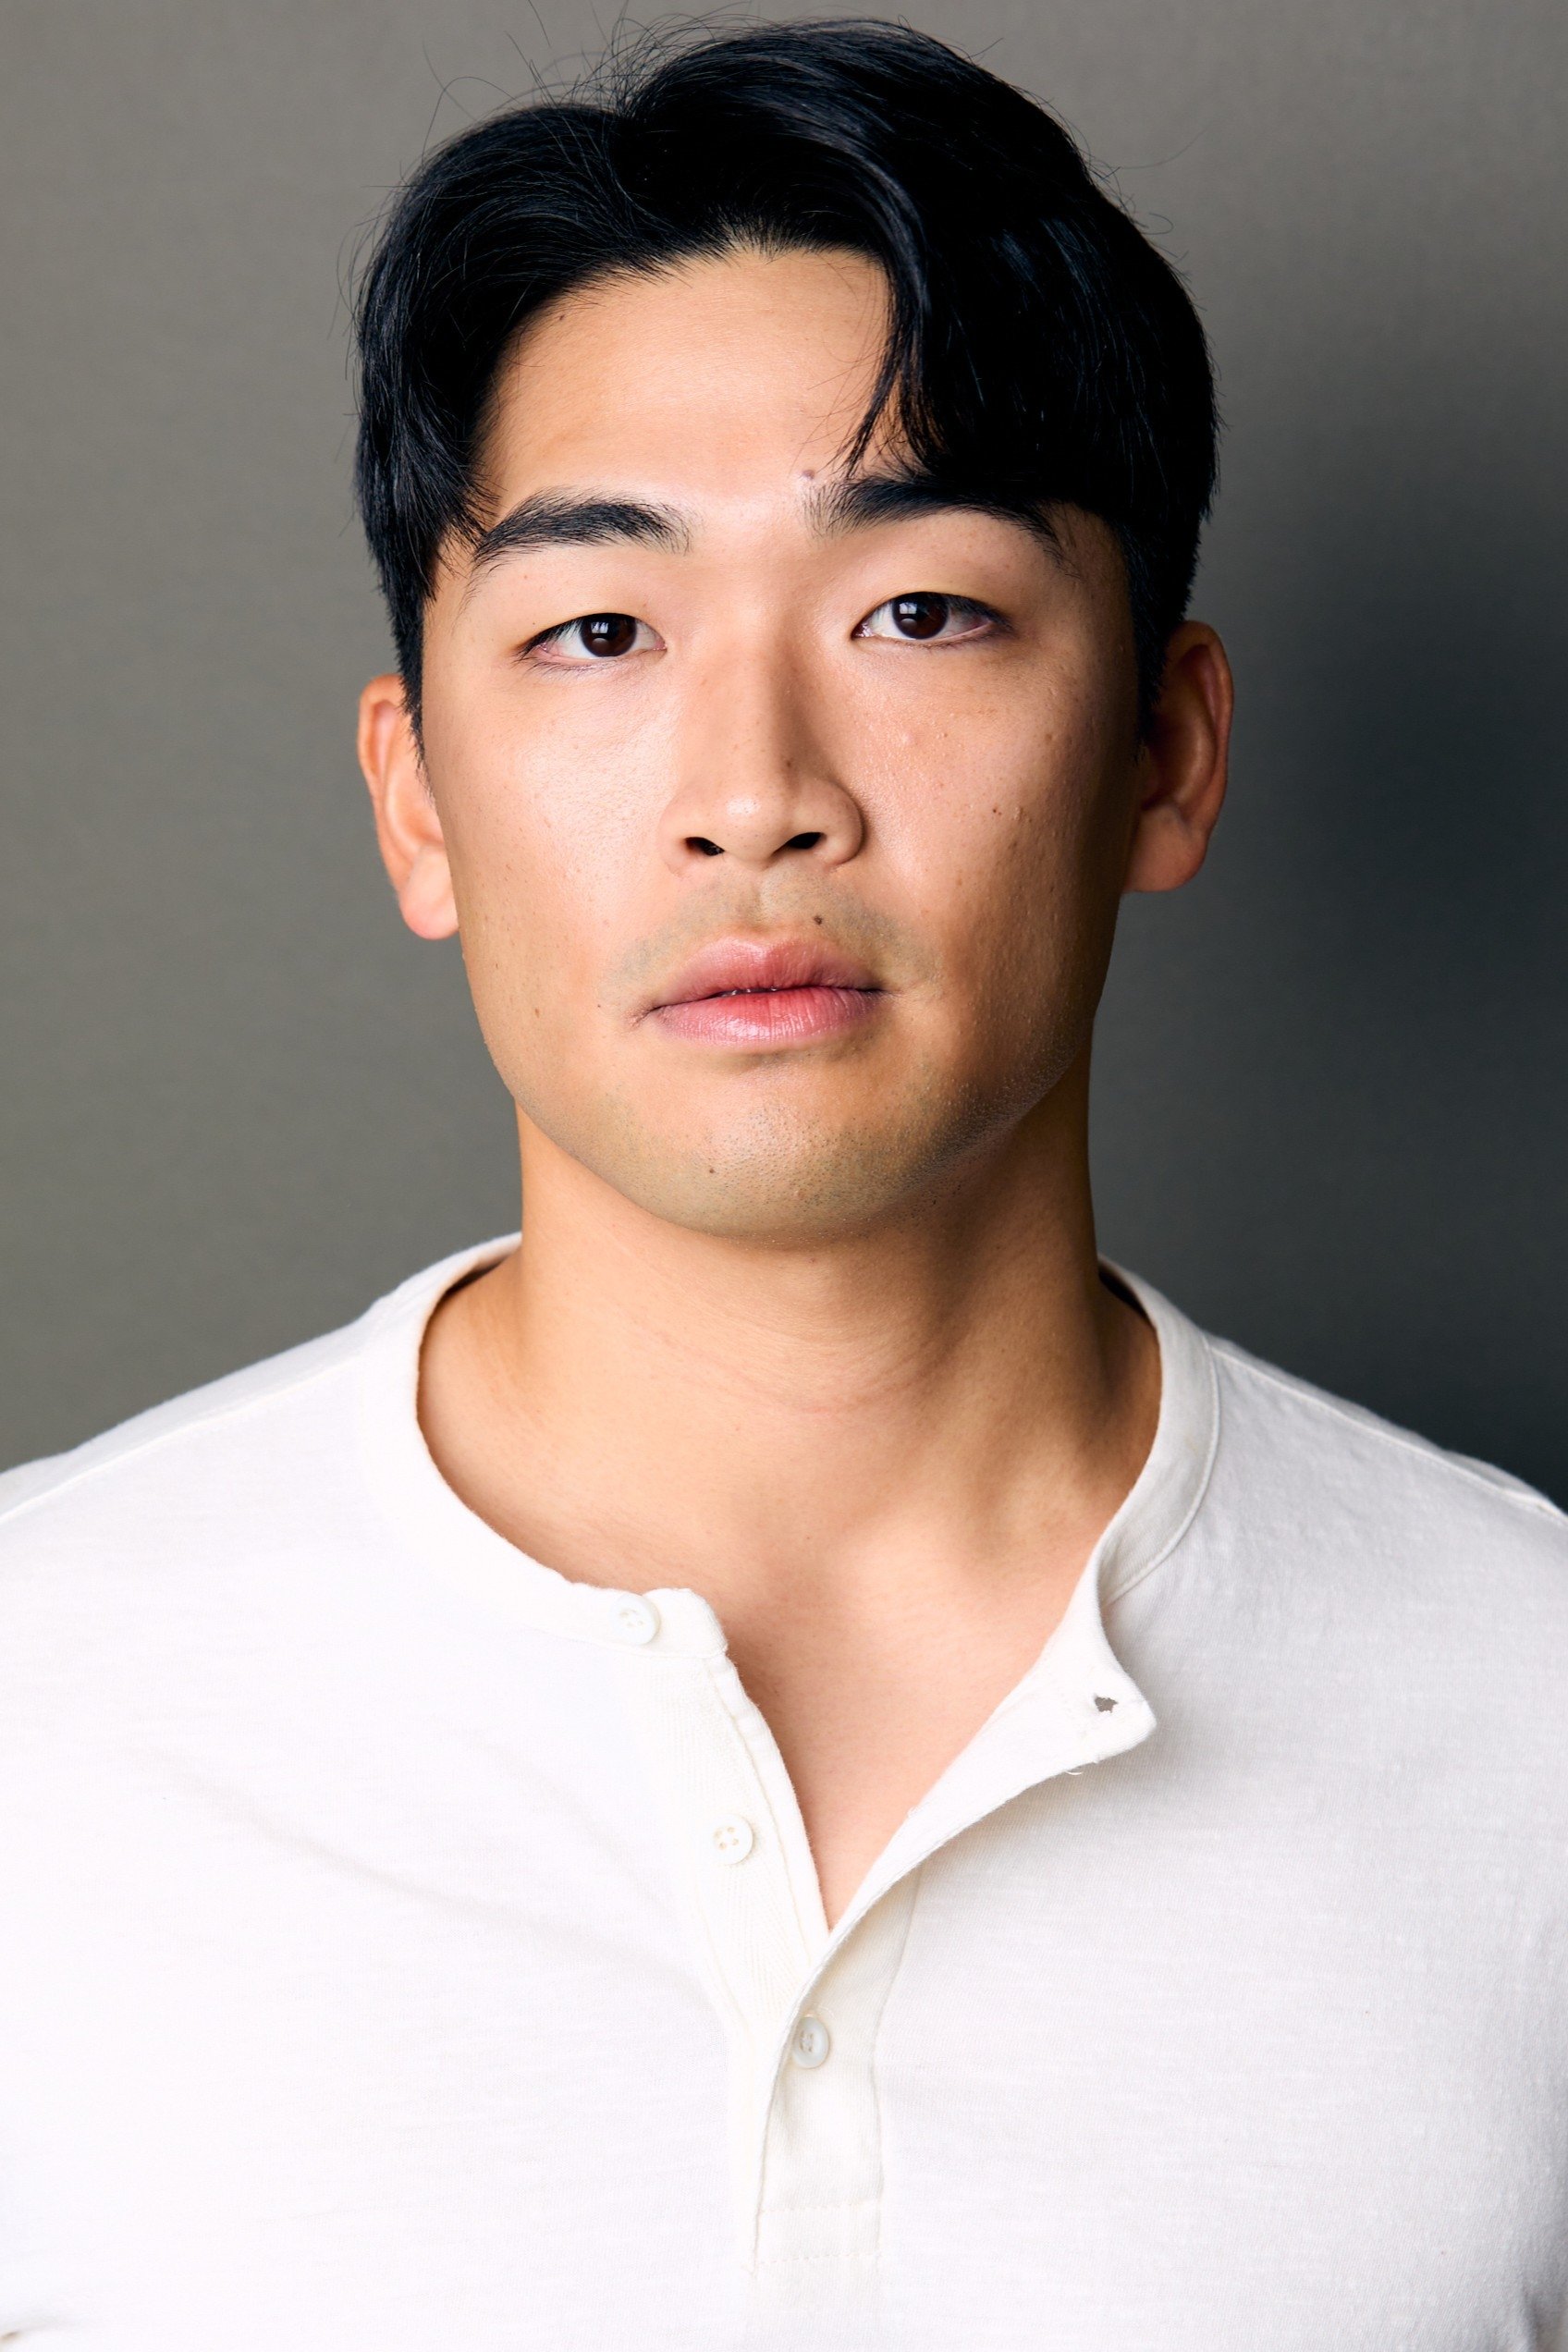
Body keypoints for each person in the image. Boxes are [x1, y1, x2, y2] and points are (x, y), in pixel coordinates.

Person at [1, 18, 1563, 2348]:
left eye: (916, 612)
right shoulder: (42, 1700)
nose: (754, 793)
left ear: (1163, 748)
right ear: (417, 803)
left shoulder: (1525, 1717)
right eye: (597, 632)